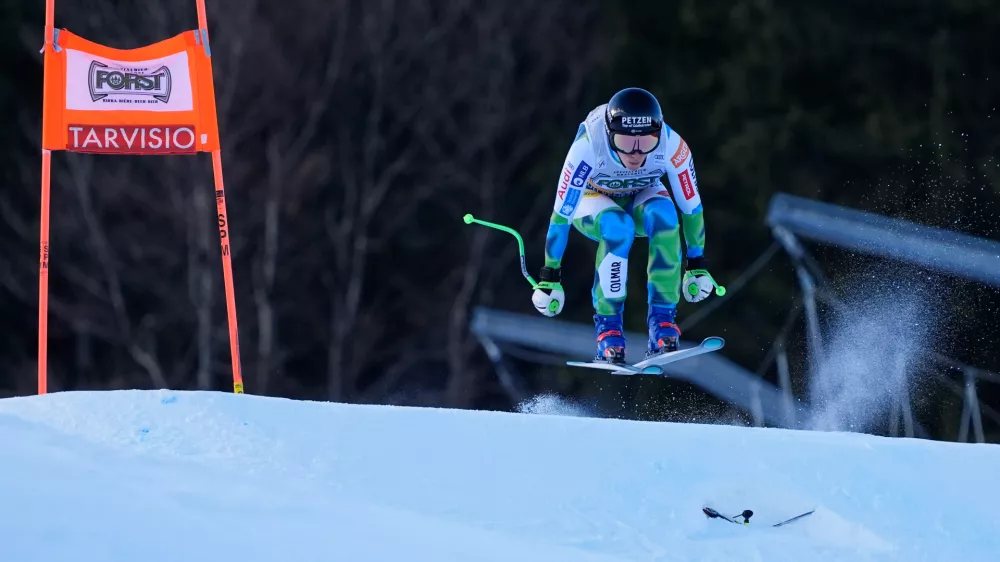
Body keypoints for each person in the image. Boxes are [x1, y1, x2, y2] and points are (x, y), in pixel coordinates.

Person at [531, 87, 719, 364]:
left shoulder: (673, 145)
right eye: (624, 142)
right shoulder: (587, 146)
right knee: (618, 227)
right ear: (609, 135)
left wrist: (697, 264)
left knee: (665, 215)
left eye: (645, 143)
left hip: (641, 194)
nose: (635, 153)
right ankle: (608, 330)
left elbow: (692, 208)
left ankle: (662, 323)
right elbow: (561, 217)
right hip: (593, 198)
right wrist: (550, 277)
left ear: (659, 133)